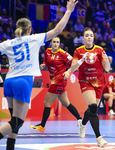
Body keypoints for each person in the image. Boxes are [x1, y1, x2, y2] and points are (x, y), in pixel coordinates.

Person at [0, 0, 77, 150]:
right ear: (29, 29)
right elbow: (57, 30)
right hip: (23, 81)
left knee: (14, 121)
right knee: (17, 122)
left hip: (8, 81)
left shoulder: (7, 43)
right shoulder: (34, 38)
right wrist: (68, 11)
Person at [30, 37, 82, 133]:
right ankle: (80, 120)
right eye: (54, 42)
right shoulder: (47, 51)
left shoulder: (63, 53)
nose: (55, 44)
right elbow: (46, 61)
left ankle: (42, 126)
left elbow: (74, 62)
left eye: (57, 42)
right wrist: (44, 64)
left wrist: (68, 71)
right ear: (51, 43)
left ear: (59, 44)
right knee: (66, 103)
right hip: (53, 79)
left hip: (59, 81)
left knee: (47, 103)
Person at [70, 27, 110, 147]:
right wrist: (81, 60)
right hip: (85, 81)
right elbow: (72, 68)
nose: (89, 37)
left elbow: (107, 68)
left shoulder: (99, 50)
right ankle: (99, 138)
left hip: (98, 82)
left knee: (92, 110)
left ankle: (82, 124)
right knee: (93, 107)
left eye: (91, 35)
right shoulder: (78, 51)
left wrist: (106, 60)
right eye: (86, 35)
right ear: (83, 38)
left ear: (93, 37)